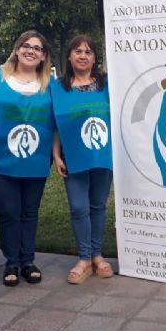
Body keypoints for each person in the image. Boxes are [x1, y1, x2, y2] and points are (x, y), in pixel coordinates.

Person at [0, 30, 55, 287]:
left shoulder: (49, 83)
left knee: (30, 211)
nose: (31, 51)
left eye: (37, 48)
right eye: (26, 46)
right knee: (9, 210)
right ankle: (11, 262)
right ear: (17, 50)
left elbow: (59, 121)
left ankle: (27, 261)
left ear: (43, 56)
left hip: (35, 159)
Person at [51, 35, 114, 285]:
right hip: (73, 156)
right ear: (69, 56)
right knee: (79, 207)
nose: (83, 56)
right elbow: (55, 124)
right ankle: (84, 258)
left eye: (88, 52)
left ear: (95, 58)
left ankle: (97, 256)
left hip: (102, 155)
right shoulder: (58, 87)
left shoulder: (107, 84)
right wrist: (56, 155)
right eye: (77, 51)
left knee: (98, 205)